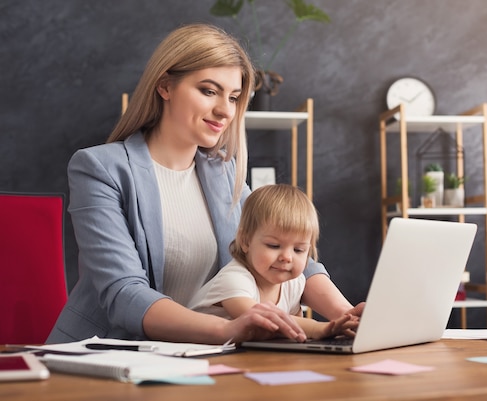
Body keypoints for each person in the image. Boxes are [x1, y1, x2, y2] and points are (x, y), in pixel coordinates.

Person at [46, 23, 363, 345]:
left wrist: (347, 316)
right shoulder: (100, 168)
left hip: (194, 357)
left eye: (235, 97)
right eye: (209, 91)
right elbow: (124, 293)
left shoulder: (224, 173)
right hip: (108, 355)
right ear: (165, 86)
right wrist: (226, 331)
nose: (225, 110)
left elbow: (289, 252)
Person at [189, 184, 358, 339]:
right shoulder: (233, 279)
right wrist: (318, 328)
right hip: (193, 355)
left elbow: (292, 335)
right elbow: (263, 320)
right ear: (246, 241)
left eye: (298, 250)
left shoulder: (295, 284)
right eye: (274, 245)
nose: (287, 257)